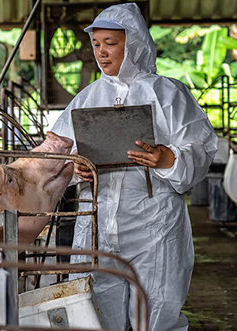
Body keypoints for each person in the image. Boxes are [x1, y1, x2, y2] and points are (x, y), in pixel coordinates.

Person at [49, 3, 218, 331]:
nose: (101, 53)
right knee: (93, 312)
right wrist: (76, 170)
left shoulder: (167, 94)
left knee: (157, 309)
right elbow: (59, 155)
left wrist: (167, 158)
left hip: (154, 226)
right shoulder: (87, 98)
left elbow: (201, 147)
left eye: (110, 43)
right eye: (96, 44)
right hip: (96, 227)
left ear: (135, 43)